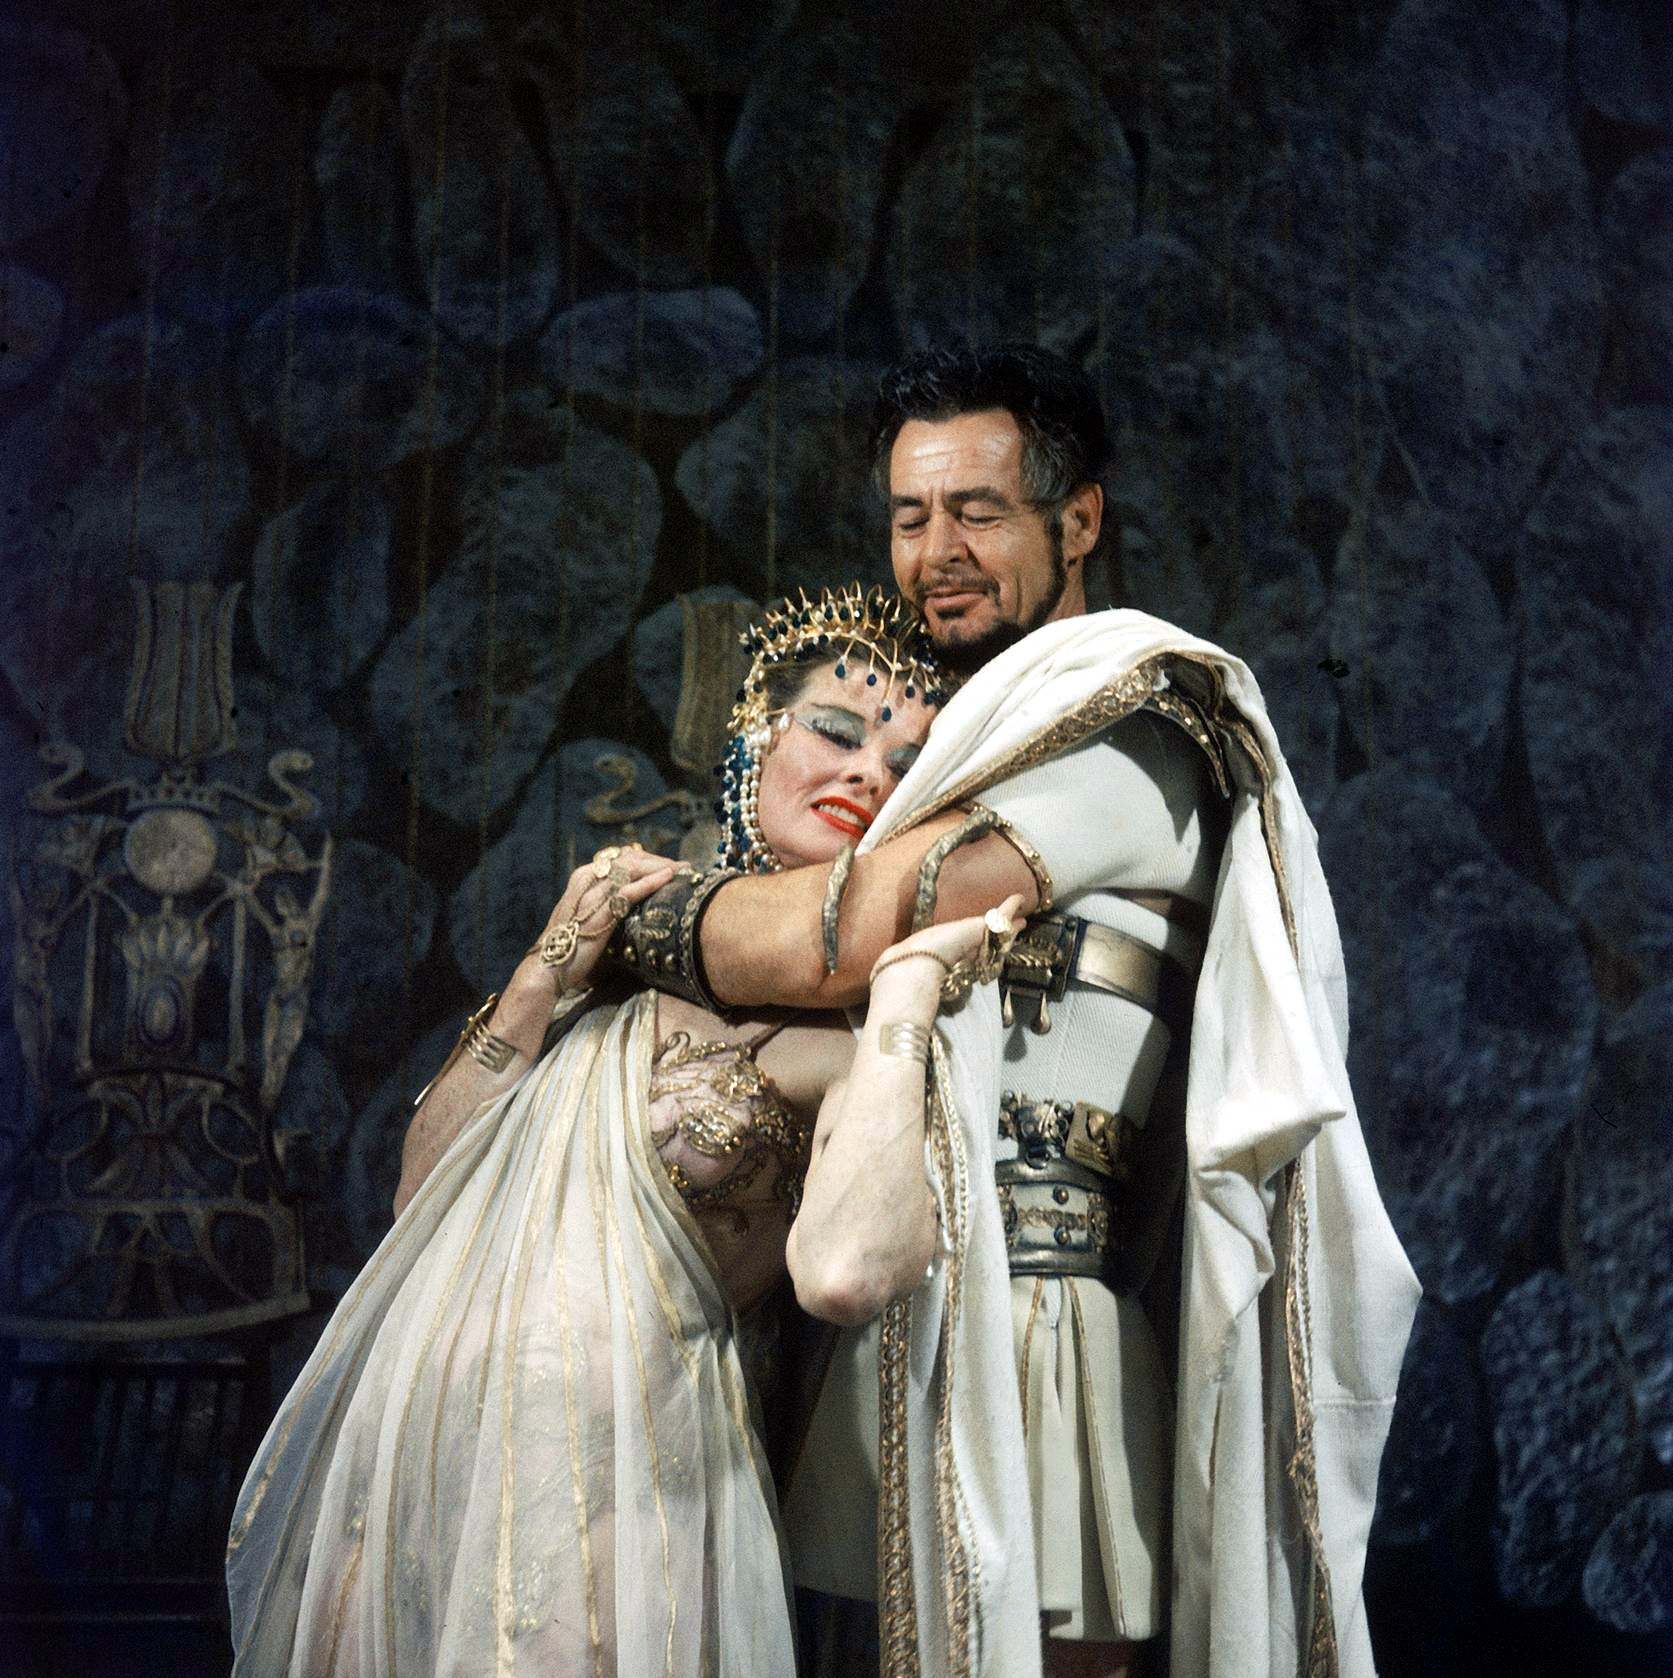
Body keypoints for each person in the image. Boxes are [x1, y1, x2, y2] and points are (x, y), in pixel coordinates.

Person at [609, 344, 1420, 1678]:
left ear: (1077, 519)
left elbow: (846, 934)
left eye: (977, 511)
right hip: (891, 1311)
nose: (935, 553)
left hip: (1038, 1326)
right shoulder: (964, 743)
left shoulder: (1132, 728)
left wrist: (621, 923)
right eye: (909, 516)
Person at [224, 584, 1024, 1677]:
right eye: (837, 733)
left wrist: (907, 993)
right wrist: (543, 974)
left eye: (902, 765)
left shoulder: (853, 1035)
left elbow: (856, 1272)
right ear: (753, 737)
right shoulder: (627, 951)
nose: (867, 774)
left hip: (624, 1487)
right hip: (418, 1456)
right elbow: (421, 1195)